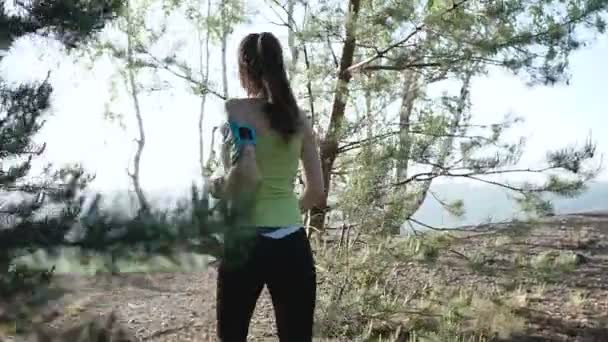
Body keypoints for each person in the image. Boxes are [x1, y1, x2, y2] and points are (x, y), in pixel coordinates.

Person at [209, 31, 324, 342]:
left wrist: (216, 186)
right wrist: (284, 212)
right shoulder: (299, 119)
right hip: (291, 243)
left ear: (245, 68)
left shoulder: (237, 110)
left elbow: (247, 173)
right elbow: (316, 192)